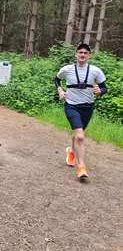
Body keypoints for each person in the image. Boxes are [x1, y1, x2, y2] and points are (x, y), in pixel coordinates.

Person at [54, 43, 107, 181]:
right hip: (71, 106)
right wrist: (60, 90)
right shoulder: (67, 69)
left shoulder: (96, 71)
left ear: (89, 55)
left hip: (88, 107)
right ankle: (81, 167)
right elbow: (57, 80)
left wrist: (100, 91)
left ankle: (71, 151)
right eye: (80, 52)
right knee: (80, 136)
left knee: (78, 134)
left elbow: (104, 88)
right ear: (76, 54)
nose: (82, 55)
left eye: (85, 53)